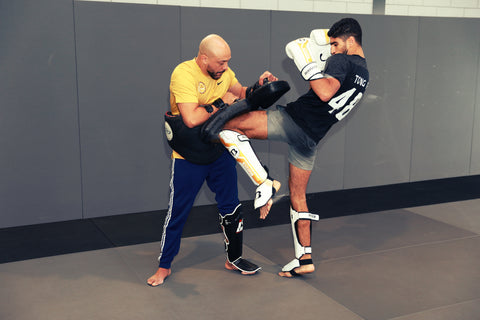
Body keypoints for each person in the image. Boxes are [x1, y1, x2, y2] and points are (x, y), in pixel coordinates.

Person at [217, 18, 369, 277]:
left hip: (293, 121)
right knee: (298, 196)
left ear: (350, 40)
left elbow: (323, 93)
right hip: (311, 139)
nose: (331, 49)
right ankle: (304, 258)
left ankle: (264, 181)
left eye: (335, 44)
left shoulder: (341, 60)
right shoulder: (364, 73)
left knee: (229, 126)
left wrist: (305, 61)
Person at [147, 34, 277, 286]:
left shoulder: (223, 73)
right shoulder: (183, 74)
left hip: (218, 150)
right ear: (204, 58)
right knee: (178, 212)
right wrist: (221, 102)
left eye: (227, 62)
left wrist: (257, 86)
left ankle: (234, 258)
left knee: (231, 205)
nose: (225, 67)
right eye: (220, 62)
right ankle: (164, 266)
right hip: (189, 155)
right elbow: (191, 119)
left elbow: (240, 93)